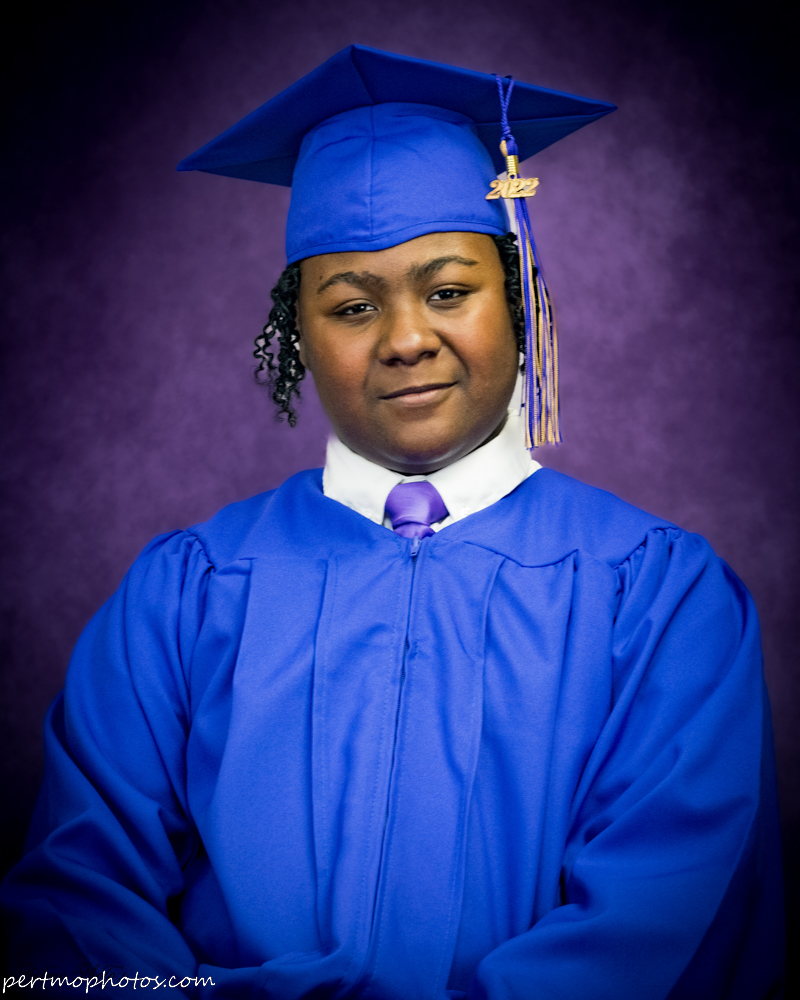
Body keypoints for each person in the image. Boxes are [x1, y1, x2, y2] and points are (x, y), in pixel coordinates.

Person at [1, 45, 784, 999]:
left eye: (449, 291)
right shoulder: (186, 593)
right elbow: (77, 908)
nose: (407, 339)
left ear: (520, 304)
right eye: (352, 307)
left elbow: (659, 925)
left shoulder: (659, 595)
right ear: (297, 335)